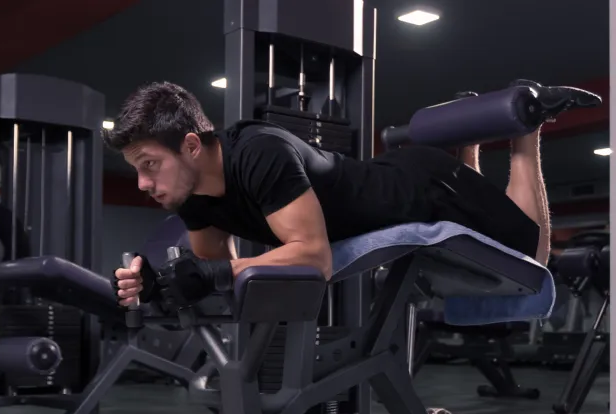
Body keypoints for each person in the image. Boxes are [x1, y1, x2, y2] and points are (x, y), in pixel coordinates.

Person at [105, 80, 590, 311]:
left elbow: (314, 257)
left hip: (424, 189)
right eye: (137, 170)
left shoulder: (259, 154)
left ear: (191, 145)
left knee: (532, 255)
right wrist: (160, 287)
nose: (145, 184)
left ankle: (528, 126)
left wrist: (211, 273)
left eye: (150, 165)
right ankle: (469, 138)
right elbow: (214, 274)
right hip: (389, 175)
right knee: (483, 205)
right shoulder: (191, 196)